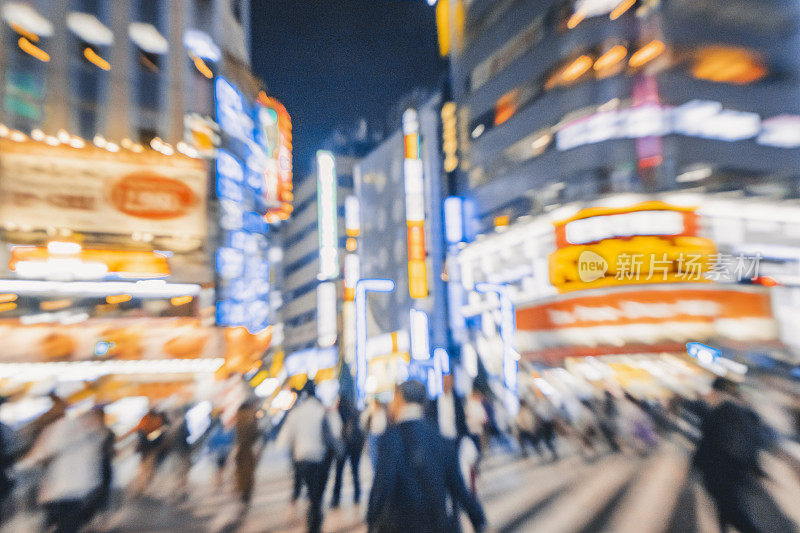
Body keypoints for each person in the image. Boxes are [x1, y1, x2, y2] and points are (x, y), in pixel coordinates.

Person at [367, 380, 486, 533]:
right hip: (438, 524)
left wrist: (371, 521)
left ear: (400, 398)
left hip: (402, 526)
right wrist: (479, 520)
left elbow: (382, 486)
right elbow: (459, 487)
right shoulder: (440, 438)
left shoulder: (390, 439)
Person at [693, 377, 795, 532]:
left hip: (721, 471)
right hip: (732, 470)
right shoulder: (744, 414)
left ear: (716, 392)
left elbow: (709, 442)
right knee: (726, 508)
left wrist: (699, 462)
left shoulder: (722, 412)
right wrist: (753, 466)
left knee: (735, 513)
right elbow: (754, 441)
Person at [23, 410, 105, 533]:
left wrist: (25, 463)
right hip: (81, 488)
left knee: (62, 525)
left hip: (60, 490)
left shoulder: (59, 427)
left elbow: (39, 455)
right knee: (69, 524)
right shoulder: (90, 429)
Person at [277, 381, 331, 533]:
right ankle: (314, 524)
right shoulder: (321, 410)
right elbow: (329, 436)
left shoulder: (296, 412)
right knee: (315, 496)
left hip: (301, 458)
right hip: (318, 457)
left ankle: (309, 519)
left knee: (304, 487)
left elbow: (285, 437)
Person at [331, 396, 364, 508]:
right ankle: (357, 495)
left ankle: (336, 498)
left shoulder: (338, 412)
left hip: (343, 445)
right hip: (355, 446)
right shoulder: (354, 412)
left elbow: (335, 431)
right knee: (355, 471)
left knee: (339, 473)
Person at [127, 408, 168, 498]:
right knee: (147, 468)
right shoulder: (156, 422)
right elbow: (153, 436)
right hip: (151, 449)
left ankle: (141, 487)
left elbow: (137, 430)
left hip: (147, 449)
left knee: (145, 468)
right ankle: (141, 487)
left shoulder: (147, 420)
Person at [234, 401, 260, 506]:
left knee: (242, 473)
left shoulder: (239, 418)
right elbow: (254, 433)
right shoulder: (250, 417)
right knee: (248, 473)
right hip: (249, 449)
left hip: (241, 449)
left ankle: (244, 494)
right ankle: (246, 494)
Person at [206, 414, 234, 487]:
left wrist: (210, 452)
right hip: (223, 453)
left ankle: (218, 482)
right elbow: (229, 442)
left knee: (219, 469)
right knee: (221, 469)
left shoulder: (213, 433)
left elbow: (210, 444)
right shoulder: (223, 432)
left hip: (217, 453)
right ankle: (218, 483)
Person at [362, 399, 388, 469]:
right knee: (372, 454)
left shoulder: (383, 412)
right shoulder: (370, 412)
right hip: (373, 435)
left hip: (380, 435)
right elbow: (365, 424)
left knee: (379, 455)